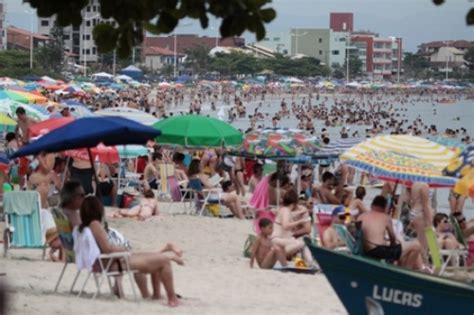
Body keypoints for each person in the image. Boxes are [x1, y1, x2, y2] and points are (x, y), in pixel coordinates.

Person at [74, 196, 181, 307]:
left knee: (155, 257)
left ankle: (156, 296)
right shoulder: (95, 225)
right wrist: (121, 248)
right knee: (163, 261)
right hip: (114, 263)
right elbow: (107, 249)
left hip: (109, 262)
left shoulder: (84, 227)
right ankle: (172, 299)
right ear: (98, 209)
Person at [358, 196, 423, 271]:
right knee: (417, 245)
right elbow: (393, 240)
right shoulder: (385, 217)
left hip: (366, 249)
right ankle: (405, 273)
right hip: (377, 251)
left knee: (402, 250)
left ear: (372, 205)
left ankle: (402, 269)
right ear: (385, 207)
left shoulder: (362, 216)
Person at [271, 189, 314, 265]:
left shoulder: (283, 209)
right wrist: (299, 221)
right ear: (295, 203)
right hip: (279, 239)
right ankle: (309, 262)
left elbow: (290, 215)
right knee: (302, 243)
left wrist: (300, 212)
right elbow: (285, 225)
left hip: (280, 239)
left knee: (300, 243)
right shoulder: (286, 211)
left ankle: (309, 262)